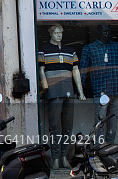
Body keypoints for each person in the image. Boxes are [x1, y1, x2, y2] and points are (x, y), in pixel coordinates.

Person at [38, 24, 86, 168]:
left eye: (61, 33)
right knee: (55, 127)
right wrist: (45, 86)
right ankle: (55, 157)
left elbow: (76, 71)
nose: (59, 35)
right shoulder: (44, 50)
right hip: (53, 92)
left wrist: (81, 92)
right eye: (56, 33)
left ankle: (64, 155)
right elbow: (41, 70)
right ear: (51, 34)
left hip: (68, 92)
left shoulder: (70, 51)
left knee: (67, 126)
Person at [80, 24, 118, 143]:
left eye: (108, 31)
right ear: (98, 32)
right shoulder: (90, 48)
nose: (107, 33)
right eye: (104, 31)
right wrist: (80, 91)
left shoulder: (116, 46)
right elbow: (83, 70)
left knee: (113, 124)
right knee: (99, 123)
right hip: (100, 91)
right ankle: (98, 150)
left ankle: (110, 152)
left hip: (115, 91)